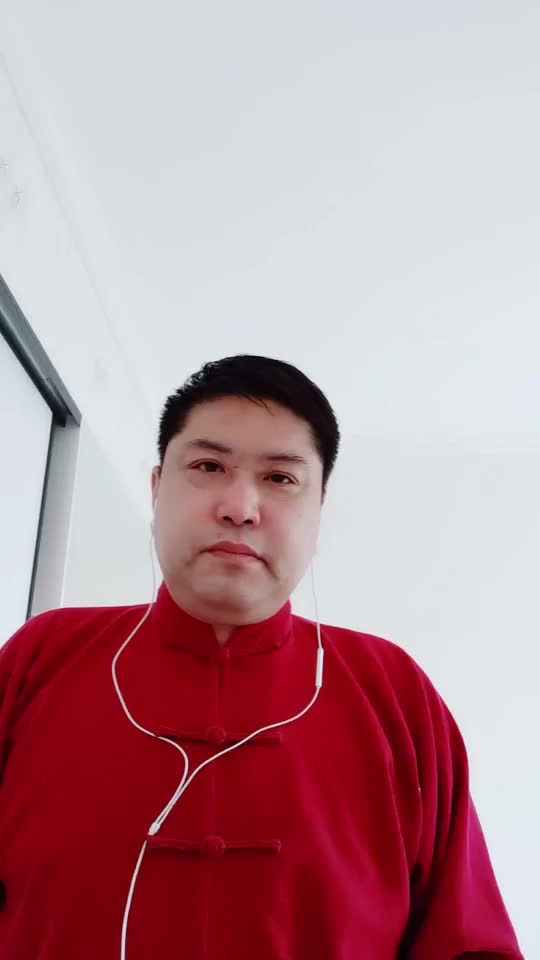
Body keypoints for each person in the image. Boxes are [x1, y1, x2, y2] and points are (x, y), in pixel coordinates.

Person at [0, 354, 524, 960]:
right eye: (208, 466)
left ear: (319, 508)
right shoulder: (41, 660)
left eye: (280, 478)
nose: (240, 507)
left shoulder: (395, 695)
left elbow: (468, 943)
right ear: (156, 487)